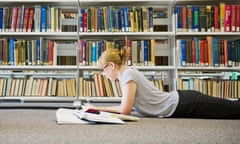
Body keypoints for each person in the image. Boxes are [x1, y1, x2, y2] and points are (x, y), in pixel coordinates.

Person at [88, 47, 240, 119]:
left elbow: (124, 110)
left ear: (112, 66)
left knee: (234, 110)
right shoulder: (127, 75)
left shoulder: (127, 75)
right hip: (180, 103)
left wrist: (97, 109)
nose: (103, 74)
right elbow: (128, 109)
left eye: (103, 70)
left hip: (183, 103)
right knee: (230, 107)